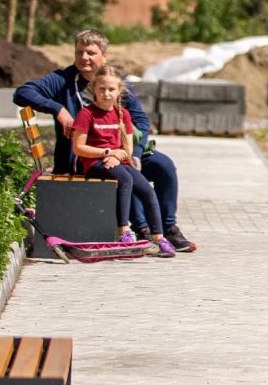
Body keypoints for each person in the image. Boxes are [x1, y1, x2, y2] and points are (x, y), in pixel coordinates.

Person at [14, 29, 197, 252]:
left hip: (121, 152)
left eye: (90, 53)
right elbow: (22, 93)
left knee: (163, 166)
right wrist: (59, 109)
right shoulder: (63, 80)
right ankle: (141, 230)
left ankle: (168, 229)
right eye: (79, 52)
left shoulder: (114, 82)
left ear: (104, 56)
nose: (84, 58)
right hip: (85, 158)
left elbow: (139, 121)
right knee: (122, 174)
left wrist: (135, 154)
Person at [71, 66, 175, 257]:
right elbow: (78, 147)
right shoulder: (87, 114)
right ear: (94, 89)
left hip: (118, 161)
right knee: (125, 181)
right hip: (95, 163)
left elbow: (127, 147)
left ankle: (159, 238)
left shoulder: (123, 114)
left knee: (146, 189)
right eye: (101, 89)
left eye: (111, 89)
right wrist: (107, 153)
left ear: (120, 91)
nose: (106, 93)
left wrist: (115, 155)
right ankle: (124, 232)